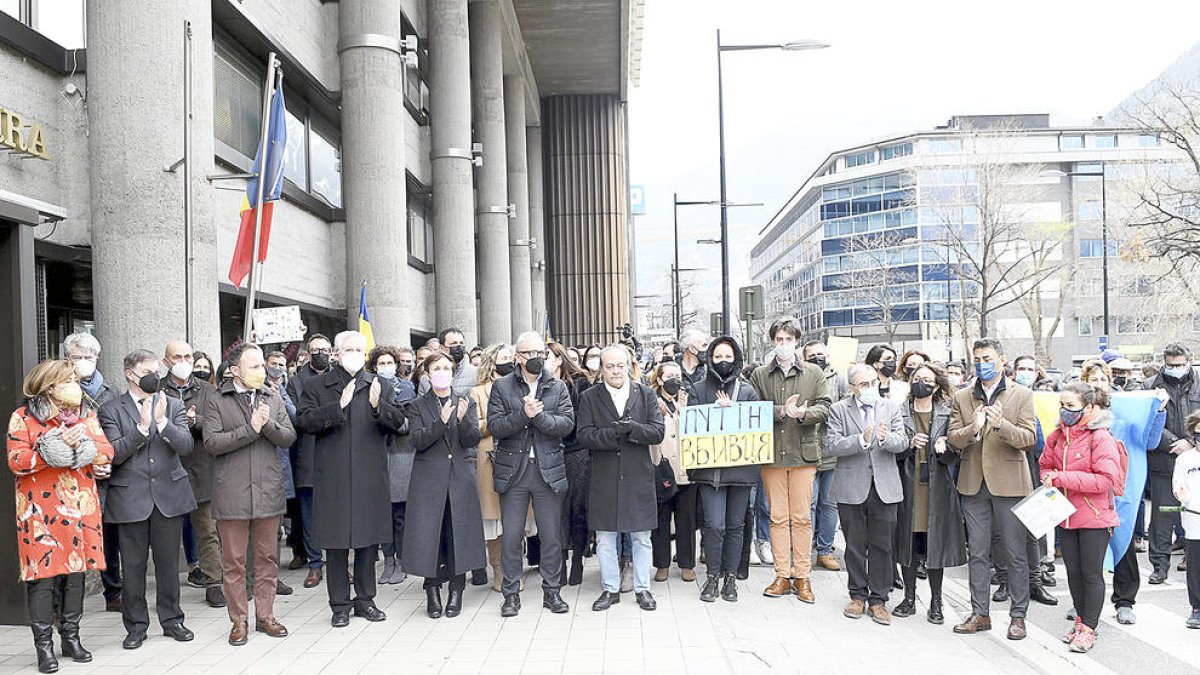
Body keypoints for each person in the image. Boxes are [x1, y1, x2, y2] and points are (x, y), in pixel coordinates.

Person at [8, 359, 114, 673]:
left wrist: (84, 445)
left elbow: (106, 450)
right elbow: (16, 459)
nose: (75, 385)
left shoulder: (86, 415)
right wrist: (49, 447)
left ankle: (72, 638)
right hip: (39, 512)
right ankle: (43, 646)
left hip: (79, 508)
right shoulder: (23, 417)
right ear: (49, 386)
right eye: (67, 380)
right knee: (42, 578)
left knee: (76, 575)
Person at [296, 330, 406, 627]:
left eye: (360, 349)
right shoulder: (317, 385)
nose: (355, 354)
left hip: (370, 475)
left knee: (367, 542)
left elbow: (398, 423)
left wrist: (376, 407)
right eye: (349, 349)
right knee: (336, 543)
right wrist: (337, 407)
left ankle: (366, 600)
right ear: (336, 353)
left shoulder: (378, 384)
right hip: (333, 476)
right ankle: (340, 605)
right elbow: (304, 422)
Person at [98, 349, 198, 650]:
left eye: (157, 370)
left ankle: (172, 620)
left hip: (169, 494)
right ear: (130, 373)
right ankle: (136, 626)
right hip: (130, 498)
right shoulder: (111, 409)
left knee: (168, 565)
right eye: (147, 371)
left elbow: (186, 445)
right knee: (133, 566)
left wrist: (162, 423)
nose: (155, 376)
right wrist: (142, 428)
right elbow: (113, 452)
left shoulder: (173, 404)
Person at [202, 343, 297, 645]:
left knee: (268, 559)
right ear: (234, 370)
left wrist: (266, 423)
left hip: (268, 489)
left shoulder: (273, 396)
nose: (262, 371)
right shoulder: (217, 400)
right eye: (254, 366)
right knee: (234, 562)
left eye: (262, 365)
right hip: (232, 493)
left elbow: (288, 437)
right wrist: (251, 428)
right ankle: (238, 620)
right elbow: (213, 443)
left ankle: (265, 616)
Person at [947, 338, 1038, 641]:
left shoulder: (1021, 394)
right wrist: (973, 428)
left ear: (1001, 360)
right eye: (977, 359)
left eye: (987, 358)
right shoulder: (962, 396)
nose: (981, 364)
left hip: (1010, 484)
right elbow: (953, 438)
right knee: (979, 553)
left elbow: (1028, 439)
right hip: (974, 484)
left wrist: (1001, 426)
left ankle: (1018, 616)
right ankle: (979, 613)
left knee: (1015, 553)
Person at [487, 331, 575, 618]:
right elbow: (496, 427)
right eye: (530, 354)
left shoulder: (557, 386)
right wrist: (523, 415)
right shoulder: (501, 387)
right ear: (518, 357)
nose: (536, 358)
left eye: (541, 353)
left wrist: (540, 417)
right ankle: (511, 594)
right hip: (514, 472)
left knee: (551, 536)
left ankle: (552, 591)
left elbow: (566, 425)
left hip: (547, 471)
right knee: (512, 536)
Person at [577, 345, 666, 612]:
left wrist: (633, 429)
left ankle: (642, 589)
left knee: (641, 537)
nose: (615, 371)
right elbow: (583, 435)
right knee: (605, 538)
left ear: (628, 365)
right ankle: (610, 589)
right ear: (601, 369)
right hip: (604, 478)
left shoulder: (646, 394)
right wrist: (611, 434)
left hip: (638, 477)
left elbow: (657, 431)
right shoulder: (589, 397)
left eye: (619, 365)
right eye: (609, 366)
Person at [749, 317, 832, 604]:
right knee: (777, 517)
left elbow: (825, 407)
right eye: (779, 339)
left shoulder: (813, 372)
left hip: (803, 453)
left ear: (797, 340)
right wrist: (780, 411)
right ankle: (781, 574)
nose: (784, 344)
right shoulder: (760, 374)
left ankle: (803, 576)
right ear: (772, 342)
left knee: (801, 517)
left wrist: (803, 415)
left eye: (789, 339)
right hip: (771, 454)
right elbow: (753, 408)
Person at [1079, 360, 1167, 625]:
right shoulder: (1075, 414)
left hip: (1122, 488)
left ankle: (1125, 600)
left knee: (1124, 541)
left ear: (1110, 383)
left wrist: (1158, 411)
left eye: (1102, 379)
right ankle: (1082, 603)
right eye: (1091, 380)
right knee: (1088, 547)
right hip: (1089, 489)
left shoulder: (1129, 411)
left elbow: (1150, 441)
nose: (1097, 384)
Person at [1039, 383, 1123, 653]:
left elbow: (1107, 480)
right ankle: (1079, 621)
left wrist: (1062, 478)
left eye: (1071, 406)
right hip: (1065, 515)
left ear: (1089, 408)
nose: (1065, 411)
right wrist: (1047, 477)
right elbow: (1045, 464)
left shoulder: (1100, 437)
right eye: (1062, 405)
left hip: (1094, 516)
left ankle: (1089, 627)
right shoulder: (1056, 436)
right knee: (1073, 573)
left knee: (1091, 574)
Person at [403, 352, 487, 619]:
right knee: (431, 536)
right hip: (428, 479)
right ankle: (432, 590)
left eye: (446, 368)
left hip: (459, 478)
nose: (442, 372)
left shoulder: (465, 400)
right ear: (427, 374)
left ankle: (456, 590)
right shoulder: (417, 405)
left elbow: (472, 439)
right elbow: (417, 441)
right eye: (436, 368)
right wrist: (440, 423)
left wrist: (461, 421)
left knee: (458, 534)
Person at [824, 364, 908, 626]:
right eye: (864, 384)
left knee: (883, 545)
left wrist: (884, 439)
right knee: (855, 545)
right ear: (852, 388)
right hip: (852, 486)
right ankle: (857, 595)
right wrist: (861, 439)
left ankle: (879, 599)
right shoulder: (839, 409)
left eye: (873, 382)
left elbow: (903, 441)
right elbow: (831, 444)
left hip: (884, 486)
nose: (871, 388)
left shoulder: (891, 407)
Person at [687, 336, 761, 602]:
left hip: (740, 472)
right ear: (709, 358)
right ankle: (712, 577)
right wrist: (714, 413)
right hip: (710, 472)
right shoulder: (697, 389)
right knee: (714, 525)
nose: (723, 362)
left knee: (735, 525)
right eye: (718, 356)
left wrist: (734, 411)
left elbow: (756, 426)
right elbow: (692, 426)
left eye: (728, 357)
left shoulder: (748, 391)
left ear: (736, 359)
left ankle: (731, 578)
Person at [894, 363, 966, 624]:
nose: (920, 382)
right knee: (908, 543)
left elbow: (954, 456)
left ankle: (936, 601)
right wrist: (908, 444)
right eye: (916, 377)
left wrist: (943, 447)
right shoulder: (899, 411)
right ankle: (909, 597)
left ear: (936, 385)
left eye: (926, 379)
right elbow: (891, 450)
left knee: (935, 545)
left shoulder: (947, 413)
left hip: (937, 488)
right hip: (907, 484)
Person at [159, 340, 223, 608]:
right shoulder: (157, 389)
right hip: (166, 470)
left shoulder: (207, 390)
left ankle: (214, 584)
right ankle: (168, 590)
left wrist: (194, 422)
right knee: (166, 536)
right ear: (166, 361)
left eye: (187, 356)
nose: (183, 361)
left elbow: (217, 423)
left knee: (208, 531)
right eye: (177, 356)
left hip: (201, 468)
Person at [63, 332, 123, 613]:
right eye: (78, 357)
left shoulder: (111, 390)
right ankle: (66, 601)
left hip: (107, 474)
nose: (84, 362)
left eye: (89, 357)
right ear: (67, 359)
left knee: (109, 535)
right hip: (73, 474)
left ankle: (113, 591)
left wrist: (107, 459)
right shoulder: (58, 390)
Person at [993, 354, 1058, 609]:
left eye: (1031, 369)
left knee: (1033, 529)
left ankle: (1035, 580)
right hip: (1005, 469)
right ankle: (1004, 581)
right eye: (1021, 368)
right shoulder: (1006, 397)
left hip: (1032, 469)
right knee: (1002, 532)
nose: (1026, 373)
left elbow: (1038, 441)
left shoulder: (1041, 399)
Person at [1142, 343, 1200, 585]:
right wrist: (1174, 442)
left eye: (1178, 364)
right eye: (1169, 364)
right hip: (1163, 458)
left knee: (1194, 512)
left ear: (1189, 360)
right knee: (1162, 516)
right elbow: (1146, 420)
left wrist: (1189, 441)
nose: (1174, 369)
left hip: (1195, 456)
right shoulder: (1150, 385)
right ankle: (1159, 565)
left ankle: (1191, 557)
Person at [286, 333, 334, 587]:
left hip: (335, 451)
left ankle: (337, 563)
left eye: (324, 349)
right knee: (309, 513)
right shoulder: (296, 381)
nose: (320, 354)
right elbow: (298, 416)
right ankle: (315, 564)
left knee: (336, 511)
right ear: (308, 352)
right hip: (307, 452)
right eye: (315, 349)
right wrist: (328, 415)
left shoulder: (339, 376)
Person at [547, 341, 595, 586]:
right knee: (556, 512)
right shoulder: (538, 386)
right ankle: (561, 560)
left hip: (577, 452)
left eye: (545, 356)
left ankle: (577, 559)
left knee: (578, 509)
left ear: (558, 359)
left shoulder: (580, 382)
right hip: (550, 454)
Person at [368, 345, 416, 586]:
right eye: (381, 364)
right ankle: (388, 560)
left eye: (390, 363)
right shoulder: (367, 387)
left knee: (399, 514)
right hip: (376, 456)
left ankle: (402, 559)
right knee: (381, 514)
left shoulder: (407, 388)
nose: (385, 368)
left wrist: (381, 410)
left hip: (400, 455)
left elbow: (405, 424)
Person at [470, 344, 514, 591]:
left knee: (515, 517)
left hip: (517, 458)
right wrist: (499, 421)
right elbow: (473, 428)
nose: (508, 362)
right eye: (503, 358)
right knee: (494, 518)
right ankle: (497, 568)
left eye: (510, 358)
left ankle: (513, 565)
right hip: (490, 459)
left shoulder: (521, 388)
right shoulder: (477, 392)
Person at [650, 361, 698, 583]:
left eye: (677, 376)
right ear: (659, 379)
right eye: (669, 376)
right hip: (661, 467)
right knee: (660, 518)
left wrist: (683, 411)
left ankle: (687, 564)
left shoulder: (688, 400)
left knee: (686, 519)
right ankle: (662, 564)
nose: (674, 380)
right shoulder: (651, 400)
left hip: (686, 469)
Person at [804, 339, 848, 571]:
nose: (817, 358)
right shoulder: (803, 378)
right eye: (812, 356)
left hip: (831, 449)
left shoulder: (839, 379)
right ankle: (804, 551)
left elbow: (844, 410)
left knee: (830, 504)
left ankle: (825, 550)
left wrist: (821, 412)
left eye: (821, 354)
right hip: (807, 448)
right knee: (808, 504)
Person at [1172, 410, 1200, 628]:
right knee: (1195, 567)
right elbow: (1178, 487)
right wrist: (1183, 496)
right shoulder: (1184, 459)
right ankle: (1197, 608)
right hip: (1194, 521)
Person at [419, 327, 478, 396]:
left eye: (461, 343)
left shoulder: (476, 373)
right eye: (453, 343)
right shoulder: (427, 378)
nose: (458, 347)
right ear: (441, 348)